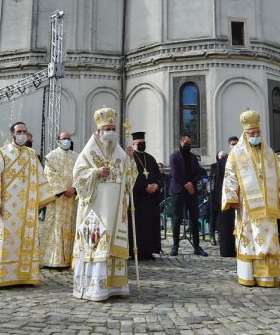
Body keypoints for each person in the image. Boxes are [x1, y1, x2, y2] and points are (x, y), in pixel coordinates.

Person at [222, 111, 280, 287]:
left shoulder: (269, 153)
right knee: (248, 237)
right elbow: (229, 176)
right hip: (246, 205)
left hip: (268, 206)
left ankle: (267, 277)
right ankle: (248, 275)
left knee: (267, 239)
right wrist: (232, 198)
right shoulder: (236, 154)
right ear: (245, 135)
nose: (255, 136)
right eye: (251, 134)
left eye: (258, 133)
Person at [71, 108, 137, 300]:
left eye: (112, 127)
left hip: (116, 211)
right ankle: (94, 287)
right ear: (98, 131)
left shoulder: (120, 153)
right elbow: (78, 176)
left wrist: (131, 159)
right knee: (96, 243)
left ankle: (114, 286)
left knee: (113, 243)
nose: (110, 131)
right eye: (106, 128)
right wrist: (95, 173)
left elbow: (129, 180)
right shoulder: (88, 151)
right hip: (96, 209)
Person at [0, 121, 53, 287]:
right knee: (6, 241)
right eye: (19, 131)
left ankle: (24, 275)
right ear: (12, 134)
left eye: (24, 132)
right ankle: (1, 277)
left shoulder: (31, 154)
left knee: (25, 241)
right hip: (6, 207)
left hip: (28, 208)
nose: (22, 135)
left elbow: (40, 178)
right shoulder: (2, 153)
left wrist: (40, 201)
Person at [40, 129, 78, 269]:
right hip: (58, 199)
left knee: (71, 226)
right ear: (58, 140)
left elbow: (80, 174)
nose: (66, 141)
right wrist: (63, 189)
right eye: (63, 139)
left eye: (68, 138)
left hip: (73, 198)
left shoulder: (77, 157)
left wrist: (74, 188)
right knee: (56, 226)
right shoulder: (51, 157)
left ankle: (71, 258)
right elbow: (49, 175)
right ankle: (55, 259)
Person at [168, 135, 208, 256]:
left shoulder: (193, 157)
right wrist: (186, 184)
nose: (188, 144)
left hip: (191, 192)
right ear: (180, 142)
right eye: (186, 142)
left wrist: (192, 183)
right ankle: (175, 246)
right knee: (177, 219)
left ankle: (197, 246)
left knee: (195, 219)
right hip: (179, 190)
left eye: (190, 142)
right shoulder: (174, 156)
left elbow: (198, 172)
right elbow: (175, 173)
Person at [130, 131, 163, 260]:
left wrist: (157, 185)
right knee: (138, 226)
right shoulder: (131, 159)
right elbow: (130, 178)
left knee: (150, 225)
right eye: (139, 143)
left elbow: (159, 177)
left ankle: (148, 251)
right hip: (138, 200)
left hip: (150, 201)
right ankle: (135, 252)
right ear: (133, 144)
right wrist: (144, 187)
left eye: (143, 143)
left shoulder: (150, 158)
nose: (142, 145)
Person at [214, 137, 240, 257]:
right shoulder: (225, 160)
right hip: (228, 197)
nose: (234, 146)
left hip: (242, 197)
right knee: (227, 224)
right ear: (229, 145)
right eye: (232, 144)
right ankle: (228, 249)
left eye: (236, 144)